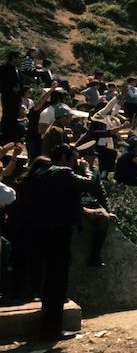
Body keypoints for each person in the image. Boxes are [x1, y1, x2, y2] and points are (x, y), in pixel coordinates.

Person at [25, 144, 106, 339]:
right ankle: (52, 329)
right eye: (74, 159)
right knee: (58, 280)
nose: (76, 162)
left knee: (47, 280)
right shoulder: (63, 173)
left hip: (37, 231)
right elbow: (89, 183)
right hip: (58, 232)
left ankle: (47, 325)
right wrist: (89, 168)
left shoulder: (39, 172)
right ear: (64, 157)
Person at [0, 51, 23, 143]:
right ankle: (4, 138)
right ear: (13, 58)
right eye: (19, 57)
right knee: (7, 117)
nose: (20, 60)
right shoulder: (4, 69)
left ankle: (13, 138)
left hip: (17, 98)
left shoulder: (18, 70)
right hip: (8, 98)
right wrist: (10, 89)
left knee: (15, 117)